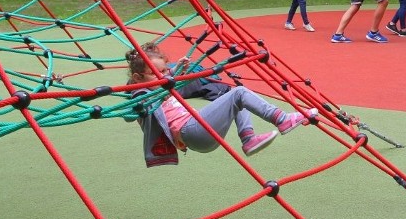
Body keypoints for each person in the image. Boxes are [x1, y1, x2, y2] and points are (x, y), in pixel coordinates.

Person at [126, 44, 306, 166]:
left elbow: (164, 78)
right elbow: (131, 112)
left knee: (232, 95)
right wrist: (145, 104)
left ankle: (248, 138)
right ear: (137, 78)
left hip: (199, 132)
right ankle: (282, 119)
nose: (164, 76)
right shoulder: (142, 94)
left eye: (165, 70)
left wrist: (177, 69)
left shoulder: (161, 82)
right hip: (192, 131)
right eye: (156, 73)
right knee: (239, 93)